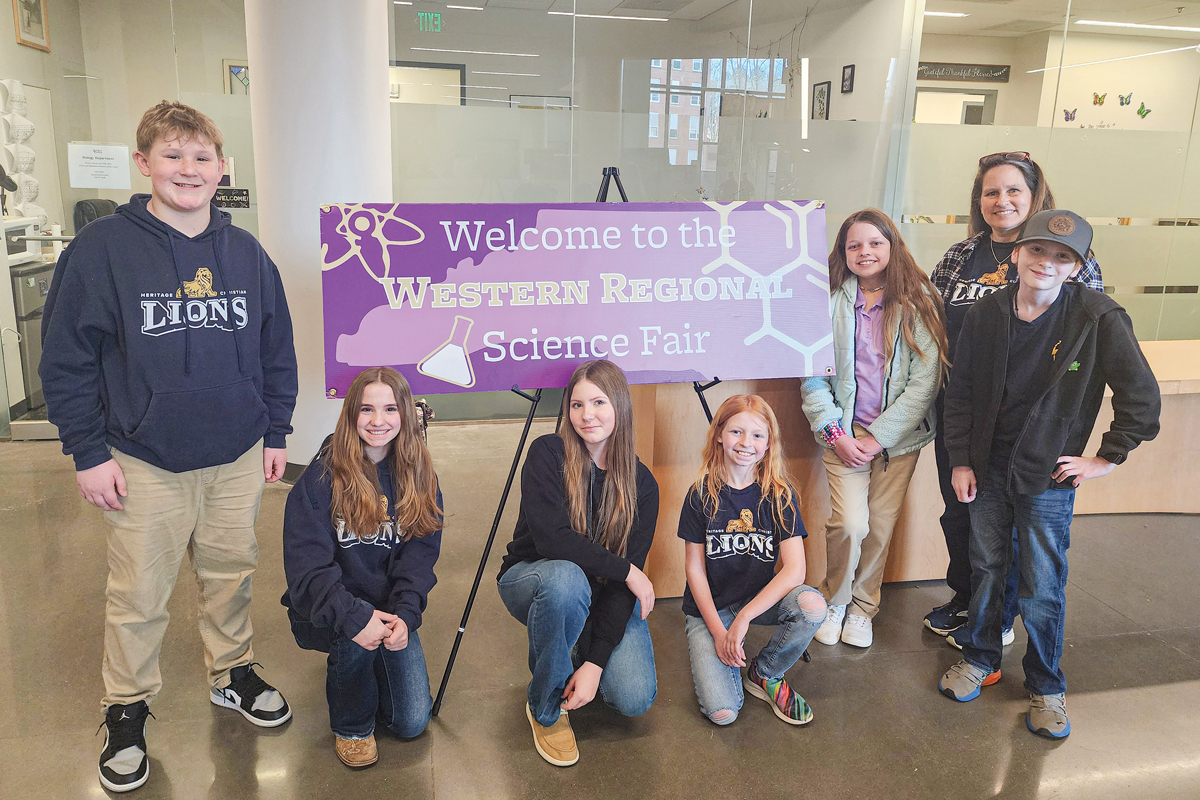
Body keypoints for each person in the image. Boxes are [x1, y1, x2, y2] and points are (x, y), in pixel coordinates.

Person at [39, 101, 297, 793]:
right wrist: (88, 453)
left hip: (237, 453)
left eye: (201, 157)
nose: (188, 169)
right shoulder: (102, 252)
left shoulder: (244, 252)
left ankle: (232, 673)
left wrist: (275, 431)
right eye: (172, 155)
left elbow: (277, 348)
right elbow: (65, 360)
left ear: (222, 169)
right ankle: (125, 711)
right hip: (142, 458)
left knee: (230, 575)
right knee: (138, 595)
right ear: (143, 163)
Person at [937, 209, 1159, 739]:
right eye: (1038, 250)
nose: (1046, 263)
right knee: (988, 566)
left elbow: (1141, 399)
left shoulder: (1098, 317)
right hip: (988, 469)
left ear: (1077, 268)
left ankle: (1046, 685)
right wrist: (962, 459)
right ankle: (981, 656)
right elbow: (961, 391)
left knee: (1042, 584)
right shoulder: (988, 313)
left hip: (1048, 478)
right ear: (1017, 253)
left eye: (1063, 257)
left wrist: (1105, 457)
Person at [924, 152, 1104, 647]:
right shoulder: (958, 256)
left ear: (1035, 197)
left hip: (1029, 422)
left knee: (1018, 522)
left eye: (1013, 191)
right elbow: (933, 328)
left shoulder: (1067, 261)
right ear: (979, 200)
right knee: (961, 509)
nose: (1001, 201)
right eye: (991, 192)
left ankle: (1000, 614)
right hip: (959, 408)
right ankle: (968, 598)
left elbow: (1084, 345)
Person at [497, 360, 659, 767]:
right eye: (577, 404)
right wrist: (627, 570)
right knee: (566, 582)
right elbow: (553, 538)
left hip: (599, 594)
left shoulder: (642, 485)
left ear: (620, 406)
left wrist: (595, 663)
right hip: (534, 579)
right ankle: (545, 708)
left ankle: (572, 649)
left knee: (634, 696)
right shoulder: (548, 453)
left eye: (599, 402)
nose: (587, 415)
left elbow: (624, 591)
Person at [801, 209, 949, 648]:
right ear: (842, 252)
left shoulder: (919, 299)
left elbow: (926, 381)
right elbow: (811, 377)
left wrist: (878, 437)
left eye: (874, 243)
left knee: (880, 526)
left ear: (892, 246)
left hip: (898, 442)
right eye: (854, 245)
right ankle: (835, 599)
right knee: (849, 523)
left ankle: (863, 609)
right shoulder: (826, 300)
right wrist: (836, 434)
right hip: (842, 438)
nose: (864, 252)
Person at [282, 367, 442, 768]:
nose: (377, 421)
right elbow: (309, 570)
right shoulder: (321, 476)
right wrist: (355, 617)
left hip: (388, 609)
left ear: (406, 414)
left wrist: (406, 613)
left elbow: (420, 555)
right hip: (329, 608)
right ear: (351, 413)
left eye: (390, 409)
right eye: (366, 409)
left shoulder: (419, 474)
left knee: (410, 722)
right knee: (354, 638)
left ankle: (369, 668)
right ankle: (350, 725)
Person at [680, 395, 826, 727]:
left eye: (758, 435)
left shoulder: (779, 494)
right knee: (722, 713)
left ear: (768, 443)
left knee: (814, 606)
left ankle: (766, 673)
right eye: (736, 432)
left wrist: (745, 618)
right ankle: (719, 650)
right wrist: (720, 633)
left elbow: (795, 569)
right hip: (712, 609)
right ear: (719, 434)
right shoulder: (700, 494)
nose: (746, 443)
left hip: (756, 602)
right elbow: (694, 569)